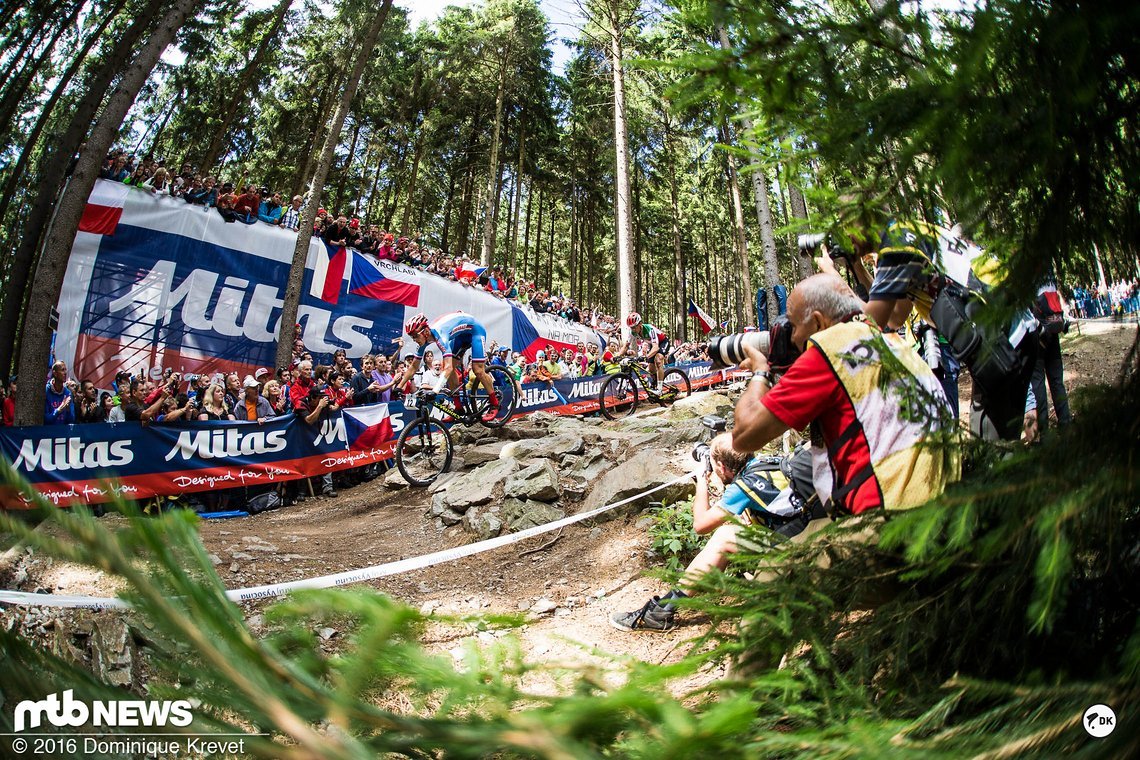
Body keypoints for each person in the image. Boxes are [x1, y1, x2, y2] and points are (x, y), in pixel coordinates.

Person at [733, 274, 958, 517]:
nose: (794, 339)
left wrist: (760, 372)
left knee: (773, 554)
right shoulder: (887, 338)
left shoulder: (830, 350)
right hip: (941, 498)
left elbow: (744, 437)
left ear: (818, 323)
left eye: (795, 327)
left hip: (893, 519)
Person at [823, 220, 1037, 441]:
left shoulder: (895, 247)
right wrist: (857, 266)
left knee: (992, 450)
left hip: (1001, 342)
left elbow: (874, 319)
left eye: (847, 225)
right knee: (991, 440)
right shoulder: (905, 233)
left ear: (865, 218)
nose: (845, 236)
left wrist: (833, 276)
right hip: (1006, 334)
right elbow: (895, 317)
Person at [611, 436, 820, 632]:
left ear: (721, 466)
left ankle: (660, 612)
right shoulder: (765, 463)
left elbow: (700, 526)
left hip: (801, 545)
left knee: (723, 537)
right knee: (735, 528)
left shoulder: (742, 487)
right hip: (816, 530)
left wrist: (701, 479)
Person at [393, 312, 500, 415]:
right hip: (460, 335)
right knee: (448, 367)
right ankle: (458, 408)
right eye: (412, 337)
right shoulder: (424, 340)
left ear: (425, 332)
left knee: (478, 370)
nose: (414, 340)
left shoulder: (441, 336)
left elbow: (448, 369)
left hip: (476, 331)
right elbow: (413, 367)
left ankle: (495, 403)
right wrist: (399, 386)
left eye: (415, 336)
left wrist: (435, 391)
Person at [1029, 279, 1072, 435]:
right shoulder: (1048, 272)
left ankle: (1044, 434)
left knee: (1038, 383)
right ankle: (1066, 424)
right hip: (1053, 329)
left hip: (1037, 333)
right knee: (1056, 381)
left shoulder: (1025, 273)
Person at [616, 312, 670, 387]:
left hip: (663, 342)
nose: (633, 329)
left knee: (658, 360)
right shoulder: (632, 332)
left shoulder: (649, 328)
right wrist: (617, 356)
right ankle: (655, 382)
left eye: (634, 327)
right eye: (631, 327)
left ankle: (660, 388)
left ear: (640, 324)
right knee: (651, 369)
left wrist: (646, 356)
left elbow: (656, 347)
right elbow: (626, 346)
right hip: (653, 344)